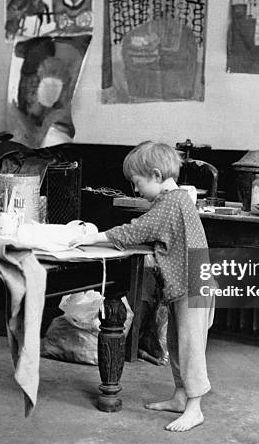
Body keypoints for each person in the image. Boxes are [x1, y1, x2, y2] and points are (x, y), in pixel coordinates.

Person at [69, 141, 214, 432]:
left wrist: (91, 238)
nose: (136, 191)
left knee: (189, 346)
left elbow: (136, 231)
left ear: (156, 175)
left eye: (137, 183)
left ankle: (194, 408)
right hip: (187, 284)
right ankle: (179, 396)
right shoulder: (173, 201)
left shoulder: (172, 202)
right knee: (175, 342)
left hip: (192, 285)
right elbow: (152, 229)